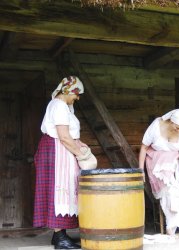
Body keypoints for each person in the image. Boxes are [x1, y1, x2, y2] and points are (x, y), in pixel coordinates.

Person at [33, 76, 90, 249]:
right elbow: (64, 137)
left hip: (62, 151)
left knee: (65, 189)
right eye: (77, 93)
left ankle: (60, 235)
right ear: (68, 90)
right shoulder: (58, 106)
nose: (78, 98)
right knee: (60, 190)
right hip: (56, 152)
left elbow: (70, 135)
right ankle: (59, 237)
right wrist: (81, 155)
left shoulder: (65, 107)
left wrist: (79, 144)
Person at [139, 109, 179, 235]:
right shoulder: (156, 126)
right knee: (168, 191)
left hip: (174, 165)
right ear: (170, 121)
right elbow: (143, 148)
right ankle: (171, 225)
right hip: (157, 163)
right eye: (177, 127)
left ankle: (177, 223)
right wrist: (140, 171)